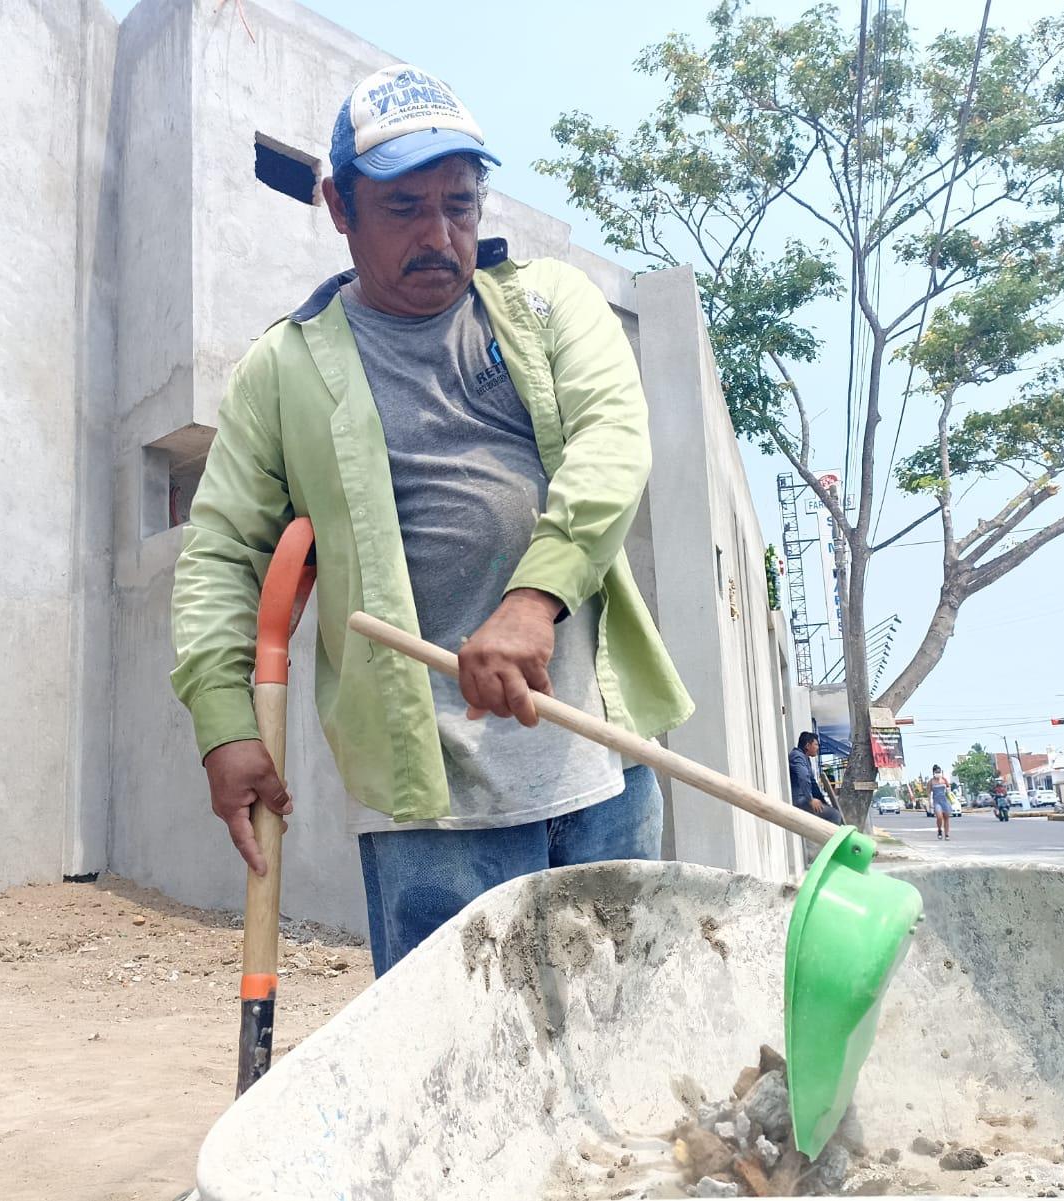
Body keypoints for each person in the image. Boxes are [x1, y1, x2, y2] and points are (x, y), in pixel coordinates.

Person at [170, 64, 693, 976]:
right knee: (454, 1066)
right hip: (430, 804)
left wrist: (535, 598)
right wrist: (226, 722)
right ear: (340, 208)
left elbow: (613, 440)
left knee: (622, 1046)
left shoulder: (547, 304)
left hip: (599, 766)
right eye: (405, 207)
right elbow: (224, 553)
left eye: (459, 204)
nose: (439, 236)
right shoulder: (282, 369)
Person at [790, 733, 844, 825]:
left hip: (805, 798)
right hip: (800, 800)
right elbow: (804, 777)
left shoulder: (806, 759)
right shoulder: (797, 756)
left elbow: (813, 783)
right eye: (816, 744)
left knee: (831, 811)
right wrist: (810, 799)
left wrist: (823, 802)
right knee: (834, 815)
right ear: (807, 745)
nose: (818, 747)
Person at [929, 765, 954, 840]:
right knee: (939, 817)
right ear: (933, 773)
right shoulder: (931, 782)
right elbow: (929, 793)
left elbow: (949, 789)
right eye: (936, 772)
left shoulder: (944, 780)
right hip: (937, 801)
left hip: (945, 801)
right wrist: (930, 802)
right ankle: (939, 830)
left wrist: (949, 791)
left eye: (939, 772)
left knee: (946, 817)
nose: (938, 773)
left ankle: (946, 834)